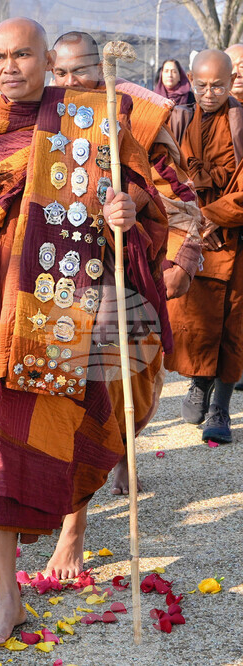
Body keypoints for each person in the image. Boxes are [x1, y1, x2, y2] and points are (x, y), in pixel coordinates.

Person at [0, 17, 170, 644]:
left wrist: (126, 212)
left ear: (47, 60)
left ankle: (70, 533)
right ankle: (7, 597)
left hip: (59, 318)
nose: (8, 68)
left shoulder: (86, 125)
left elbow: (149, 213)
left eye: (22, 55)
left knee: (61, 441)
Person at [44, 30, 203, 578]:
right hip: (49, 282)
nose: (70, 83)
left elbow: (181, 201)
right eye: (59, 73)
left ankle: (117, 461)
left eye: (81, 71)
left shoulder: (137, 120)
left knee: (123, 391)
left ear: (102, 67)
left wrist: (166, 245)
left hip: (120, 279)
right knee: (72, 403)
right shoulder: (41, 119)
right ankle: (71, 525)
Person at [166, 49, 243, 444]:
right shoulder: (177, 118)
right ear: (191, 81)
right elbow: (163, 175)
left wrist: (215, 215)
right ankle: (199, 382)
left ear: (231, 83)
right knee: (195, 318)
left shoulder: (241, 120)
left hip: (233, 235)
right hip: (194, 238)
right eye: (201, 85)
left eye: (217, 85)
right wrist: (195, 221)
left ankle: (221, 408)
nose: (208, 93)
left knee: (232, 323)